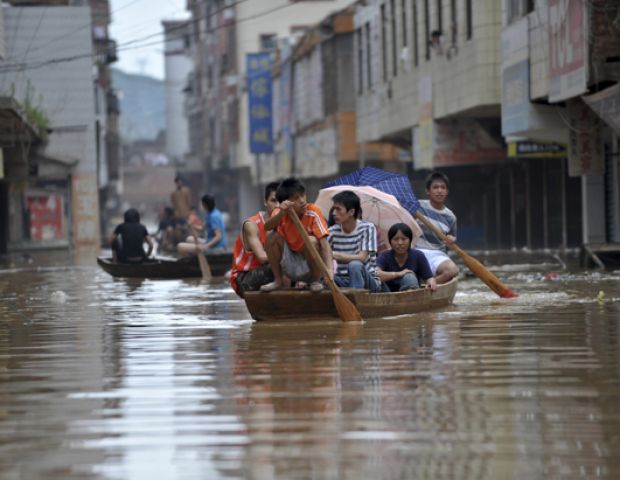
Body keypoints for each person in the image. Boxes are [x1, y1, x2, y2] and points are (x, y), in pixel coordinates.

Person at [260, 177, 333, 293]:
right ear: (286, 202)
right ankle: (278, 281)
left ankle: (315, 281)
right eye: (296, 198)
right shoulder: (280, 211)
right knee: (271, 236)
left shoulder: (313, 211)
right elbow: (267, 227)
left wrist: (330, 271)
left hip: (311, 265)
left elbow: (325, 244)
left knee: (312, 240)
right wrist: (282, 213)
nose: (302, 200)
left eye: (303, 195)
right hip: (290, 263)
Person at [230, 182, 280, 297]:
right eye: (273, 200)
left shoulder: (286, 222)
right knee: (285, 266)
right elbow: (262, 258)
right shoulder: (252, 224)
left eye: (280, 201)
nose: (277, 205)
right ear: (265, 202)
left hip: (270, 270)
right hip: (245, 279)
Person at [328, 190, 381, 292]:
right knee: (326, 277)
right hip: (343, 281)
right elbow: (323, 256)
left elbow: (361, 258)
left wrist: (333, 254)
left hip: (368, 282)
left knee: (355, 265)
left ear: (351, 212)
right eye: (334, 209)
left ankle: (356, 300)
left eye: (338, 209)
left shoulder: (368, 228)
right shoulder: (332, 231)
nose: (334, 213)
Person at [415, 171, 459, 283]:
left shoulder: (450, 217)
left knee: (452, 270)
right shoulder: (417, 207)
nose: (439, 190)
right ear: (428, 190)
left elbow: (452, 238)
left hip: (437, 254)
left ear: (447, 191)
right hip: (416, 251)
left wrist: (451, 240)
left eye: (443, 187)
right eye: (435, 187)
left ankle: (428, 284)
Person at [377, 223, 437, 292]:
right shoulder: (384, 256)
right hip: (388, 296)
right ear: (390, 241)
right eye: (396, 239)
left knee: (409, 277)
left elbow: (429, 277)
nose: (400, 243)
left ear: (410, 240)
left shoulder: (418, 255)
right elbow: (375, 274)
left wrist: (431, 282)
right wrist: (398, 274)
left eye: (404, 239)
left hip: (410, 294)